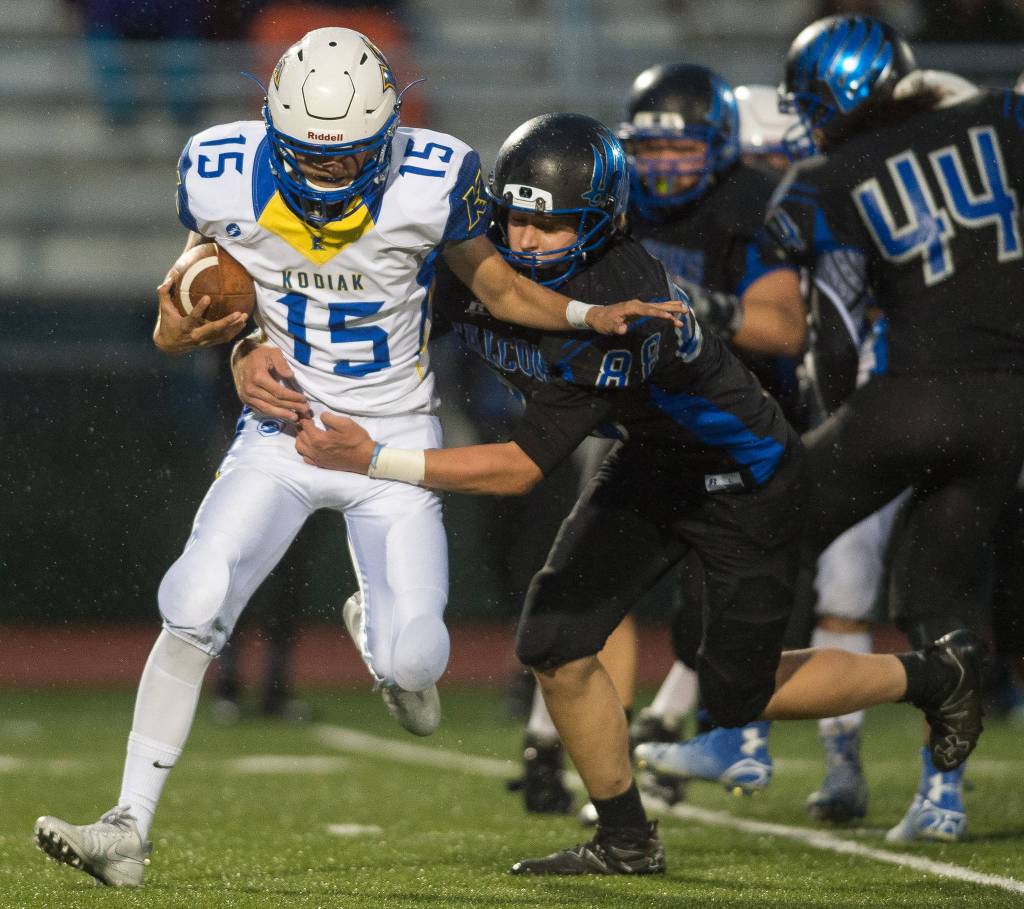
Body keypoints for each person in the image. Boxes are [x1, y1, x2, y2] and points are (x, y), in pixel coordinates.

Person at [31, 28, 682, 889]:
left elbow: (493, 286)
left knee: (418, 665)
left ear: (387, 134)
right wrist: (231, 343)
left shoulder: (433, 176)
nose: (331, 173)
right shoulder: (219, 169)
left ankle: (377, 636)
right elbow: (186, 300)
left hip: (395, 438)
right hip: (287, 431)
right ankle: (127, 825)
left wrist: (583, 318)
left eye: (349, 157)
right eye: (310, 156)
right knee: (192, 594)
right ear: (272, 126)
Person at [273, 111, 985, 876]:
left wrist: (373, 458)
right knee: (553, 639)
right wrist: (253, 338)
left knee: (736, 695)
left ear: (600, 223)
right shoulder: (482, 264)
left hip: (743, 475)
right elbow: (363, 305)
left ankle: (940, 673)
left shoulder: (621, 304)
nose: (521, 241)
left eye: (548, 226)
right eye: (511, 217)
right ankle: (626, 839)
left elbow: (519, 467)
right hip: (652, 457)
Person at [644, 14, 1023, 844]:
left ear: (829, 94)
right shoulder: (1001, 118)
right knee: (940, 601)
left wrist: (854, 417)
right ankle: (940, 797)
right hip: (1011, 409)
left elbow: (835, 330)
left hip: (913, 396)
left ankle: (732, 732)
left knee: (744, 533)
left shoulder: (827, 176)